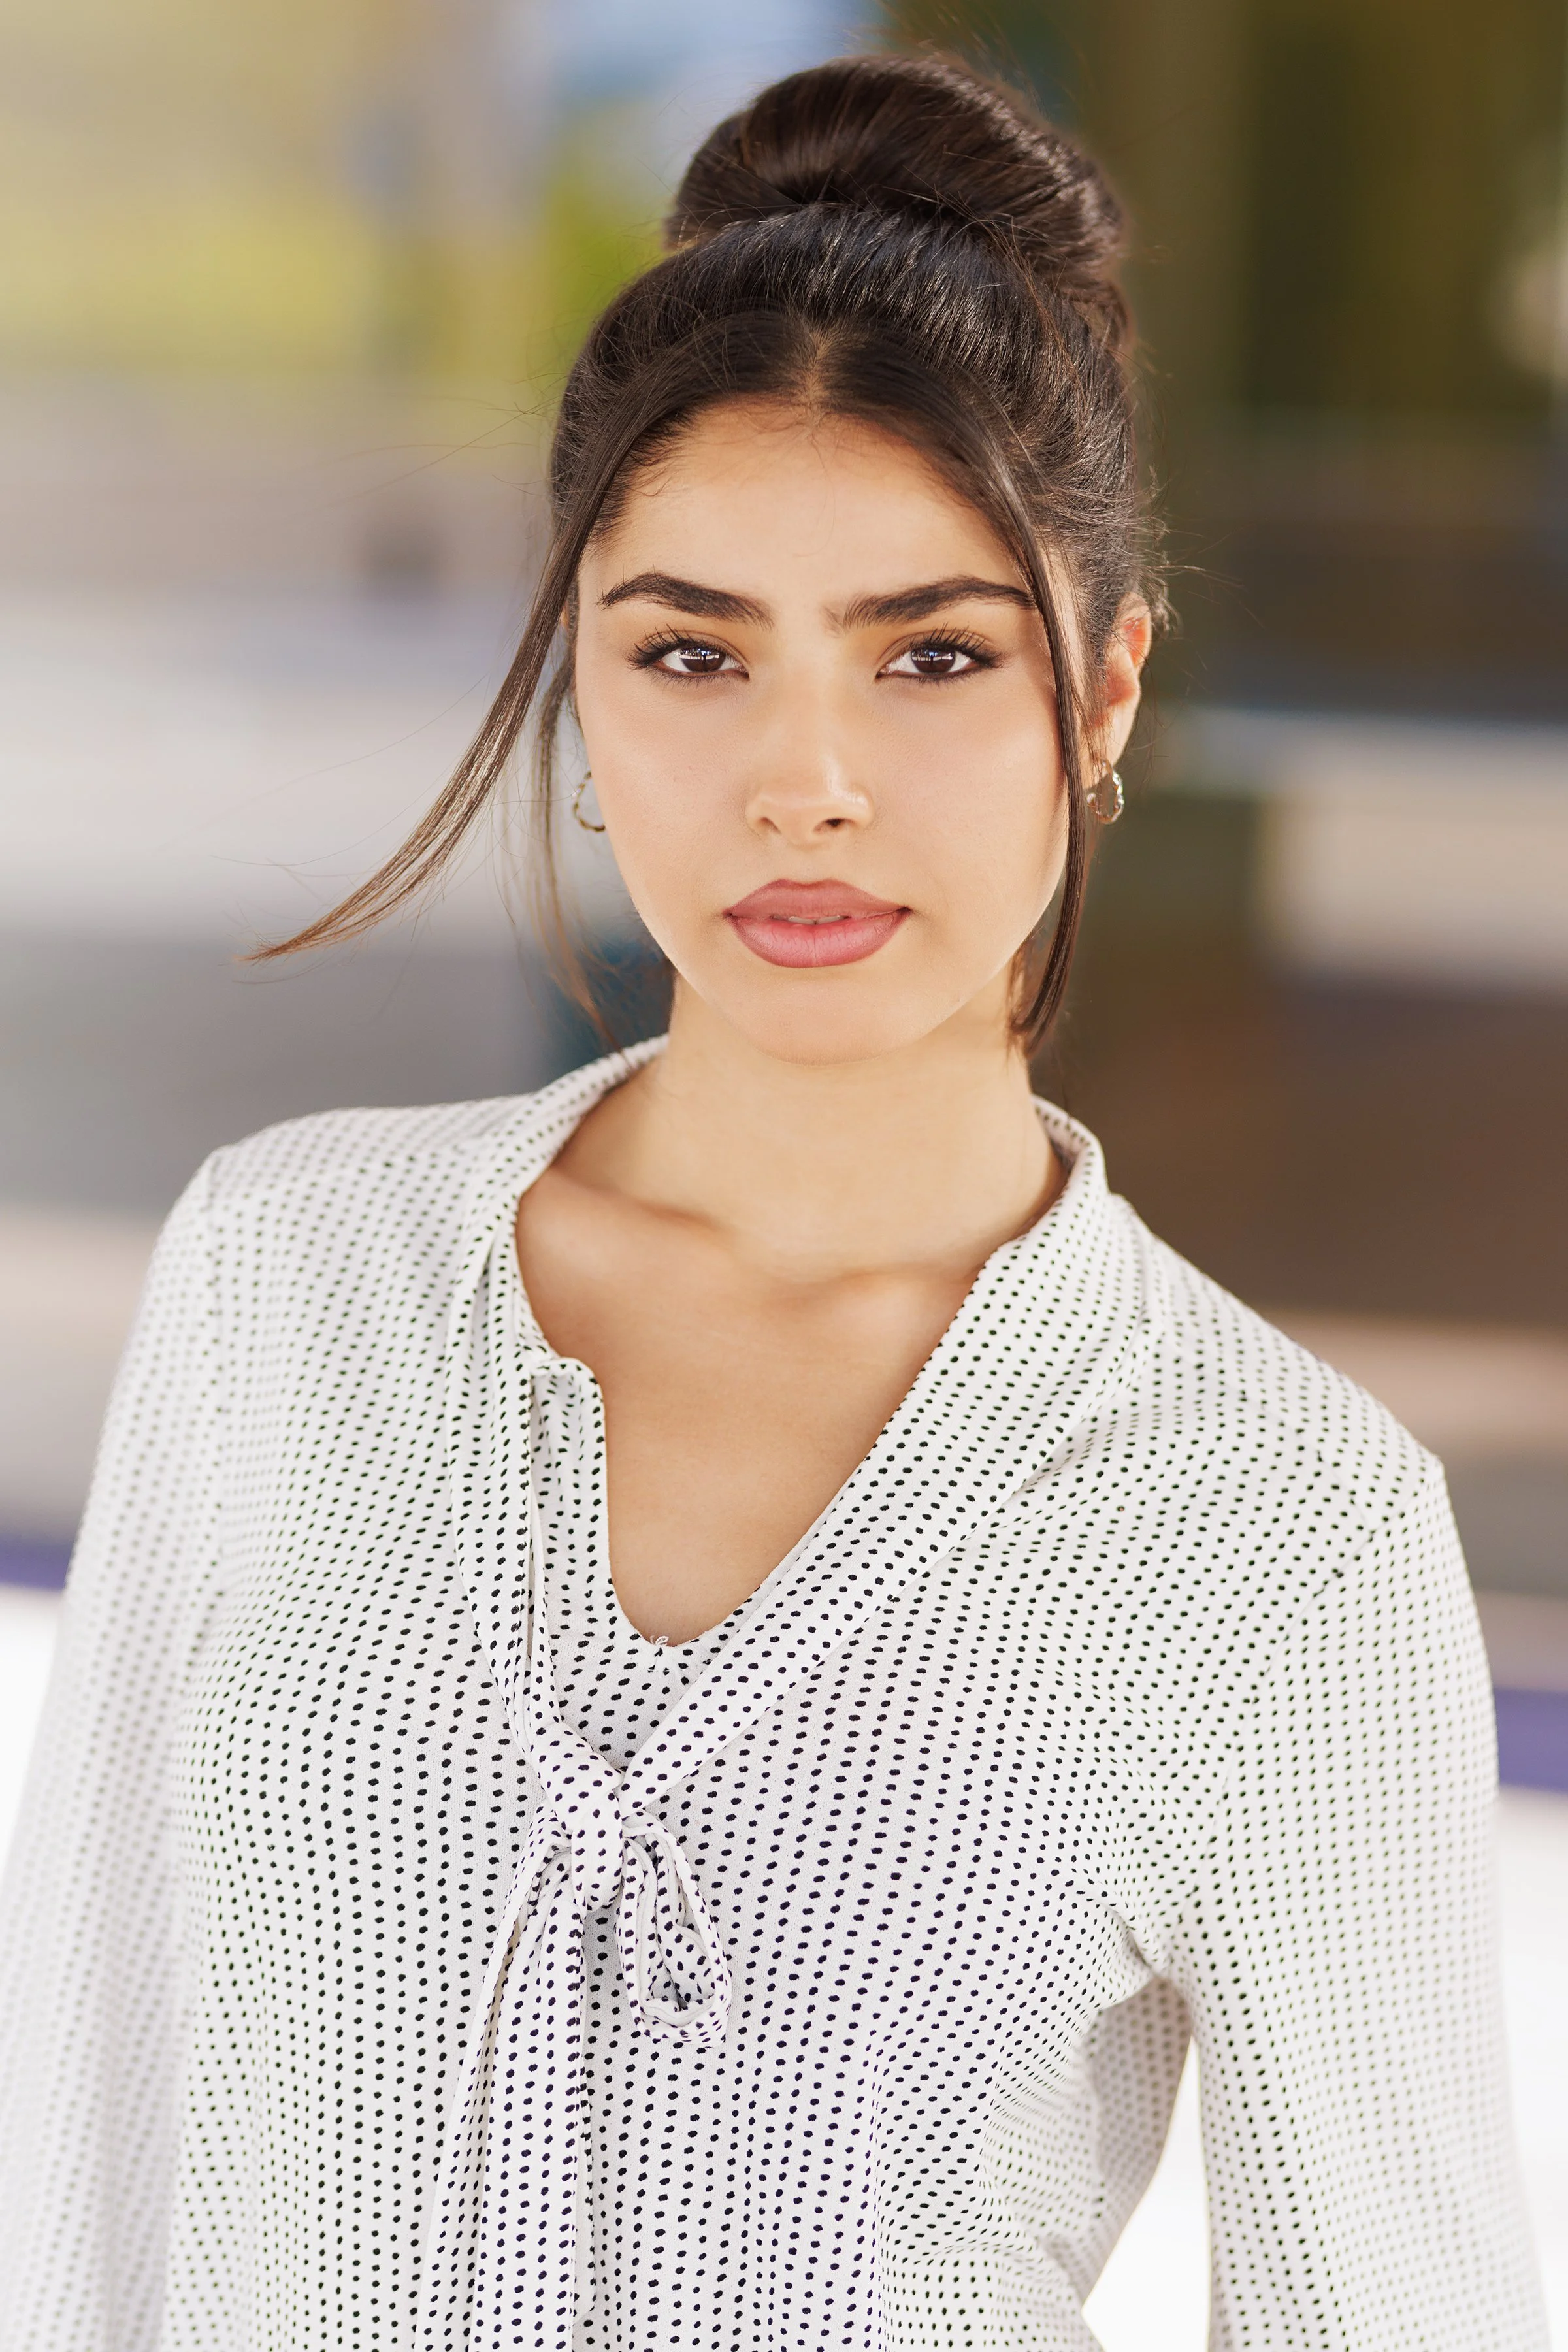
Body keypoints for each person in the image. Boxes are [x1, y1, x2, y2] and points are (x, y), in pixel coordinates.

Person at [0, 51, 1545, 2352]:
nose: (801, 784)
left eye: (932, 655)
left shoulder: (1282, 1537)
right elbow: (89, 2158)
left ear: (1103, 694)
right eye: (693, 654)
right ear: (583, 688)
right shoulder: (284, 1280)